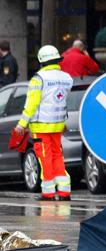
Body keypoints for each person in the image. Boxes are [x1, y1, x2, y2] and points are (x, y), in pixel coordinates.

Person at [14, 45, 72, 201]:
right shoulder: (66, 78)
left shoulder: (38, 79)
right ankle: (64, 191)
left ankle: (48, 192)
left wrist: (21, 124)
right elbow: (61, 100)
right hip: (58, 125)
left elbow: (31, 105)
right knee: (57, 156)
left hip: (41, 125)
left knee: (44, 157)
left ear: (41, 61)